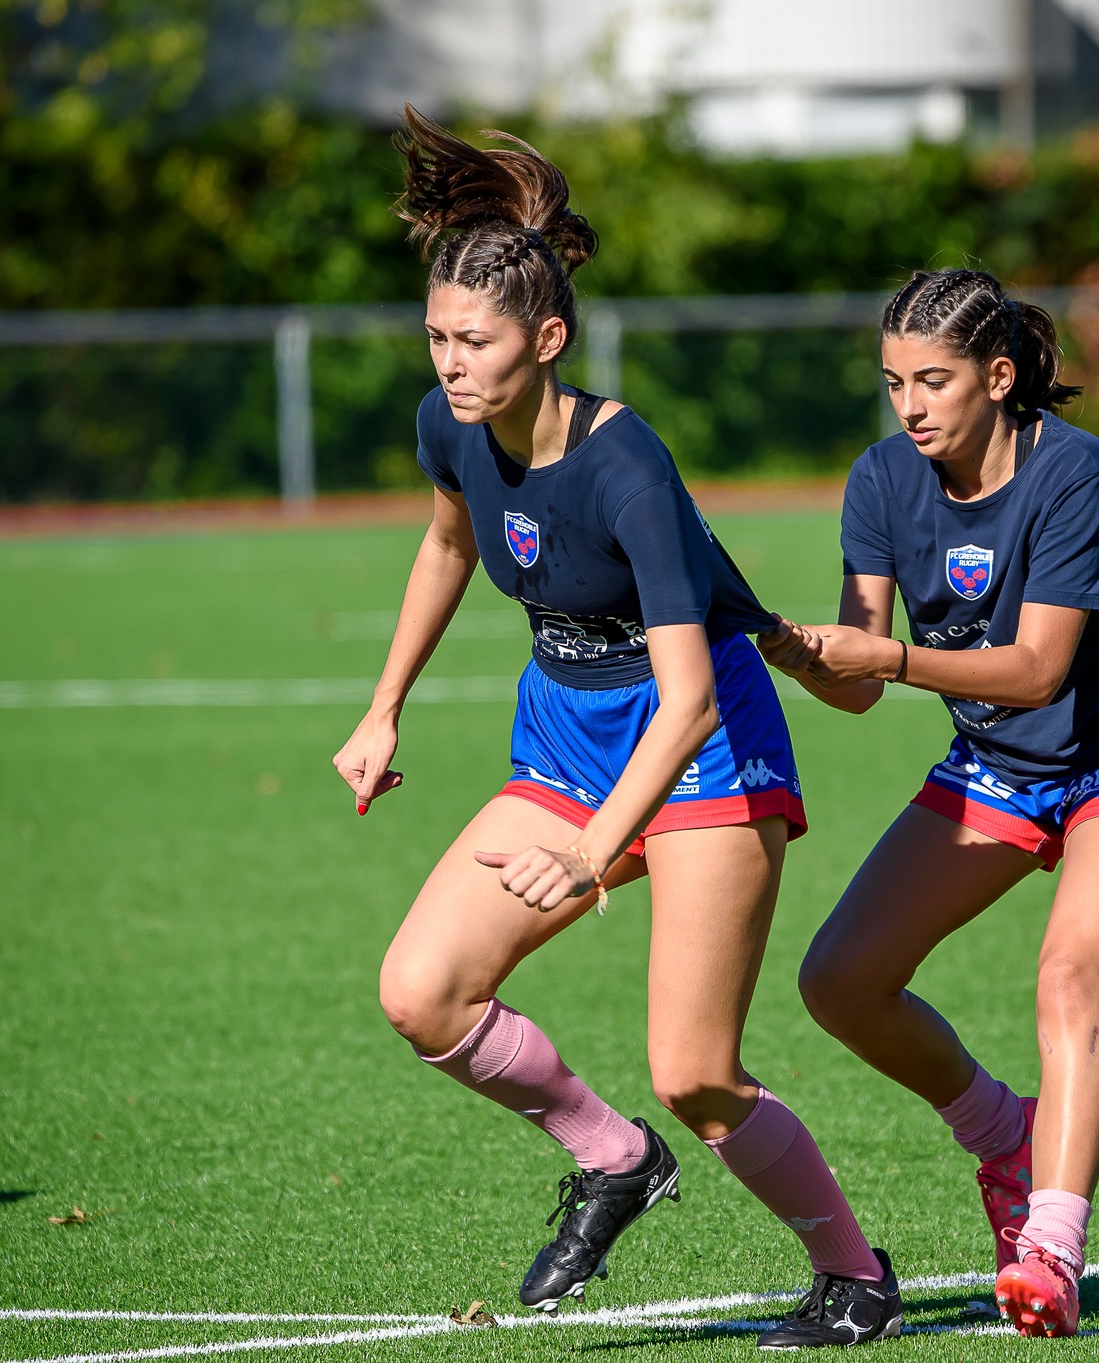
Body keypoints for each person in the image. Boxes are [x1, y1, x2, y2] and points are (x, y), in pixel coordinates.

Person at [334, 107, 901, 1348]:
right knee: (420, 991)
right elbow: (447, 545)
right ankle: (612, 1160)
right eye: (433, 336)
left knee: (695, 1070)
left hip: (700, 751)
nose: (448, 362)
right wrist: (383, 708)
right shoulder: (453, 427)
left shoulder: (627, 465)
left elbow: (692, 696)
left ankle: (854, 1275)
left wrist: (593, 852)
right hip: (568, 736)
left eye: (473, 339)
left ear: (546, 337)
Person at [761, 268, 1099, 1339]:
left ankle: (1050, 1249)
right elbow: (861, 685)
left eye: (933, 380)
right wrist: (794, 653)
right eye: (891, 383)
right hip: (1000, 762)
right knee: (839, 980)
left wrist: (884, 656)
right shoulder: (879, 480)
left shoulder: (1077, 477)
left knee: (1068, 972)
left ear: (997, 376)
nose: (909, 406)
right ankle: (1001, 1135)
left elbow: (1037, 671)